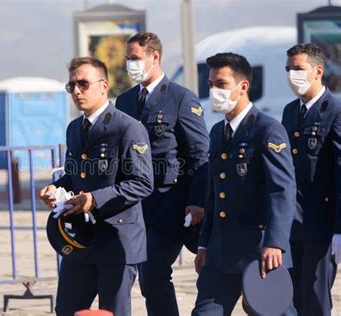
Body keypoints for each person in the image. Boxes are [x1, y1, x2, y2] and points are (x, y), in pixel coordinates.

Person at [39, 57, 153, 316]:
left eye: (83, 83)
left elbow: (143, 183)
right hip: (80, 241)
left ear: (103, 85)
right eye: (71, 86)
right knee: (67, 309)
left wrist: (95, 199)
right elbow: (74, 177)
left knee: (113, 313)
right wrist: (53, 188)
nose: (77, 91)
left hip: (116, 239)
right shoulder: (75, 128)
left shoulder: (127, 128)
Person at [192, 53, 296, 315]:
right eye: (211, 84)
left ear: (243, 86)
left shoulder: (267, 130)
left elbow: (282, 190)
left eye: (222, 84)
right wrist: (204, 243)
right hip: (220, 252)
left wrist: (275, 242)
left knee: (275, 312)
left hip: (259, 250)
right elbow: (214, 195)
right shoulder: (217, 132)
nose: (215, 90)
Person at [115, 31, 209, 316]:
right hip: (134, 205)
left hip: (170, 203)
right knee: (142, 277)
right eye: (128, 59)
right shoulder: (125, 101)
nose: (131, 64)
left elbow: (200, 154)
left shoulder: (181, 98)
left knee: (153, 271)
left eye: (136, 58)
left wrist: (197, 201)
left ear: (154, 56)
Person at [282, 43, 341, 316]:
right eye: (288, 69)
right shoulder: (290, 111)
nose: (292, 74)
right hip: (291, 223)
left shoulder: (335, 111)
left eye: (298, 69)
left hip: (321, 223)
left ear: (317, 71)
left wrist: (340, 228)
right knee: (291, 299)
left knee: (315, 297)